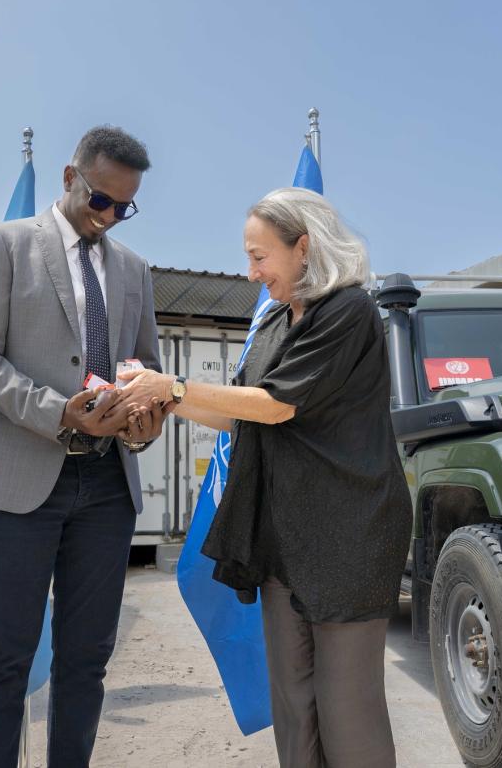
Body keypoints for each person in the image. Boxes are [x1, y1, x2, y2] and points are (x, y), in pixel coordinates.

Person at [121, 187, 411, 767]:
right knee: (294, 701)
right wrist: (160, 394)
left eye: (260, 256)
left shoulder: (348, 311)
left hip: (346, 536)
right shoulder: (276, 320)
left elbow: (277, 404)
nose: (250, 272)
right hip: (280, 535)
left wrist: (173, 387)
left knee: (346, 708)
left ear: (303, 248)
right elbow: (238, 411)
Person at [0, 125, 167, 767]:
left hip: (106, 490)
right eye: (100, 200)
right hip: (22, 480)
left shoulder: (132, 269)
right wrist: (60, 414)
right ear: (70, 178)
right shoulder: (6, 243)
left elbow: (147, 366)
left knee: (87, 660)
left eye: (123, 207)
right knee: (5, 660)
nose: (108, 217)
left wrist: (145, 418)